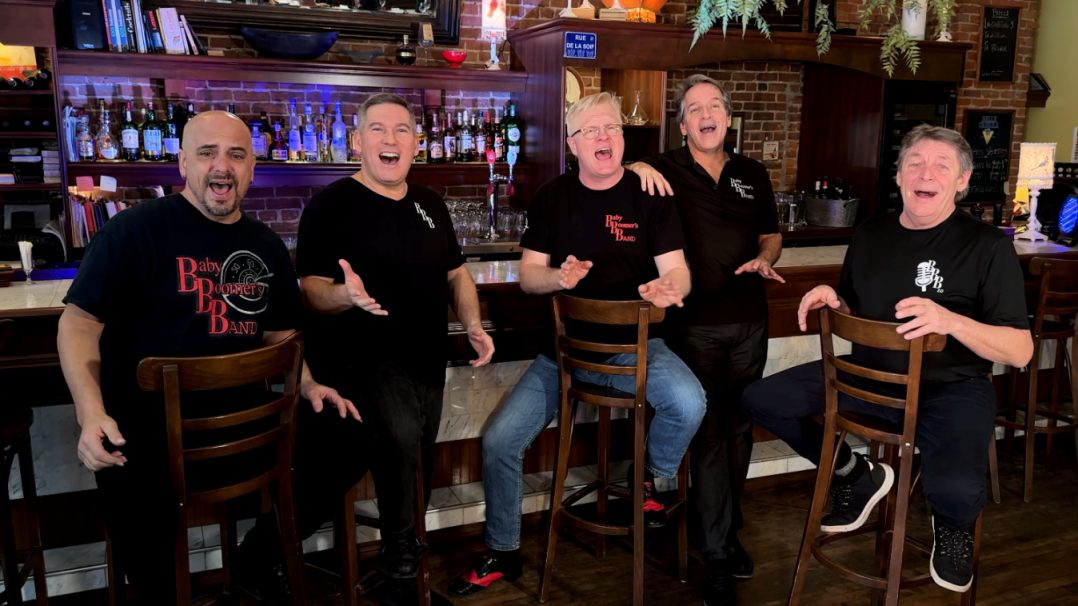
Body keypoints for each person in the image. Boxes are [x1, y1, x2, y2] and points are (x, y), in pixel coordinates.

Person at [57, 111, 356, 604]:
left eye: (236, 155)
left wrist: (308, 385)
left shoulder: (266, 245)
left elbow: (280, 333)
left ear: (252, 168)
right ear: (182, 164)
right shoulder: (134, 230)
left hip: (244, 425)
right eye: (207, 153)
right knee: (127, 481)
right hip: (149, 428)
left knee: (350, 433)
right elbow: (78, 323)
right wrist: (90, 414)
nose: (222, 166)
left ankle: (258, 555)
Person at [741, 124, 1033, 594]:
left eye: (941, 166)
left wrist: (951, 321)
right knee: (761, 399)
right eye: (914, 163)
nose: (925, 174)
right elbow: (855, 305)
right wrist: (834, 299)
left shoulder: (988, 246)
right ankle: (855, 475)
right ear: (898, 175)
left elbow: (1020, 349)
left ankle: (952, 528)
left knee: (956, 492)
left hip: (951, 389)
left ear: (962, 180)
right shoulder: (872, 232)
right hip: (867, 378)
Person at [448, 92, 707, 597]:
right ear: (572, 144)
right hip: (562, 357)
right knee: (499, 441)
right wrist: (558, 278)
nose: (603, 137)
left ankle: (648, 478)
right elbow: (528, 276)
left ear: (623, 138)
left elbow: (678, 269)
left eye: (611, 128)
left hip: (638, 348)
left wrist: (671, 287)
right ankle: (503, 551)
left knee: (689, 402)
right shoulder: (552, 197)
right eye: (590, 130)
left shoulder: (651, 193)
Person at [240, 92, 494, 605]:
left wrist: (472, 323)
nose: (390, 139)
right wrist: (346, 296)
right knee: (400, 443)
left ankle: (402, 568)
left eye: (402, 130)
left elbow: (456, 273)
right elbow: (309, 289)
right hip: (361, 359)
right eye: (378, 129)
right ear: (357, 141)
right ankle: (401, 575)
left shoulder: (430, 204)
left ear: (416, 143)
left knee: (418, 461)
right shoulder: (330, 204)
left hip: (427, 359)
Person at [625, 74, 783, 606]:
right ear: (682, 124)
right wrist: (636, 165)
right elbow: (610, 174)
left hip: (750, 321)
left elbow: (771, 234)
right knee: (711, 432)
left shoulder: (751, 173)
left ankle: (724, 529)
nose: (706, 114)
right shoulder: (664, 168)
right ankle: (716, 553)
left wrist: (765, 257)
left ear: (728, 118)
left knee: (740, 428)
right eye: (694, 108)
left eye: (715, 106)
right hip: (692, 325)